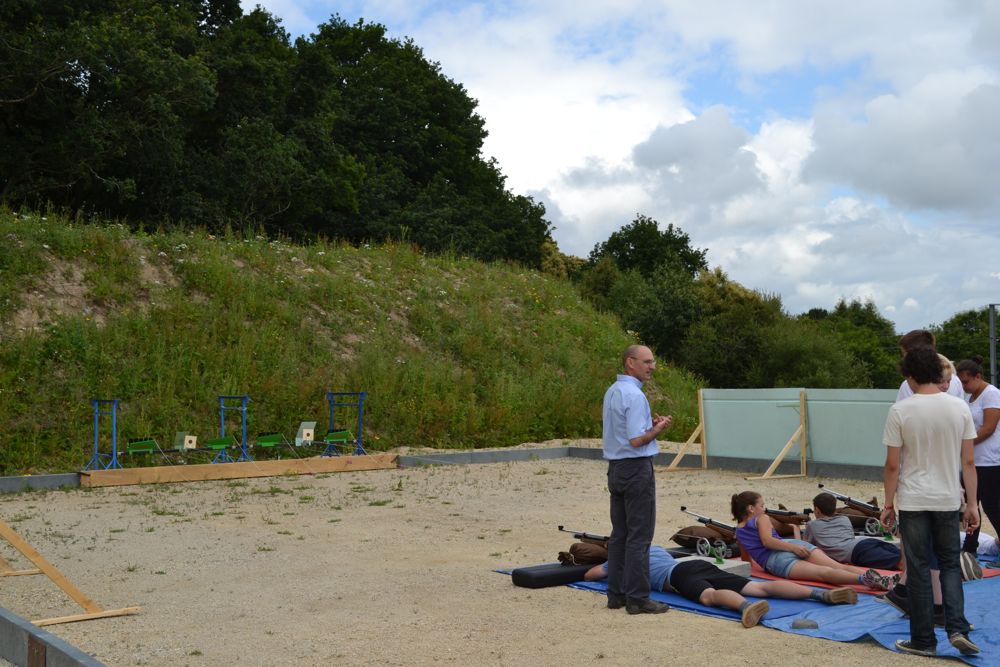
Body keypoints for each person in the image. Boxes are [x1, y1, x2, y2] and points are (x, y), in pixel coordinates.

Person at [882, 346, 980, 656]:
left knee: (919, 568)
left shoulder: (900, 410)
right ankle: (957, 628)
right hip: (948, 498)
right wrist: (972, 504)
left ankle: (924, 640)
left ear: (910, 376)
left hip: (913, 499)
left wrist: (888, 504)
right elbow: (968, 462)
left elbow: (893, 465)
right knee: (950, 564)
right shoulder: (959, 407)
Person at [584, 545, 858, 628]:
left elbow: (591, 575)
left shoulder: (620, 558)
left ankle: (746, 608)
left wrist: (611, 562)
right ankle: (821, 594)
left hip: (677, 576)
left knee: (709, 596)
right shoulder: (652, 547)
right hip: (694, 564)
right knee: (758, 586)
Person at [602, 344, 672, 614]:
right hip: (635, 469)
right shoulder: (635, 395)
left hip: (616, 468)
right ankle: (638, 598)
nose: (652, 367)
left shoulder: (613, 391)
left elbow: (624, 432)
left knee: (620, 534)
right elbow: (636, 440)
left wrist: (648, 427)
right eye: (647, 361)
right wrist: (658, 429)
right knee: (639, 537)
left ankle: (616, 594)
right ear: (630, 363)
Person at [732, 491, 894, 590]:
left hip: (776, 560)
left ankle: (865, 580)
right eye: (761, 505)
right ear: (751, 508)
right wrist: (793, 547)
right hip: (792, 547)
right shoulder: (761, 518)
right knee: (838, 567)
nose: (764, 509)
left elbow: (747, 560)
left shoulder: (739, 531)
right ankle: (881, 578)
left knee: (824, 574)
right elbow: (768, 541)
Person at [956, 356, 1000, 559]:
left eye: (966, 382)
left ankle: (971, 546)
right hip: (974, 461)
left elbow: (988, 428)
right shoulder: (972, 397)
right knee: (970, 504)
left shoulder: (992, 394)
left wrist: (965, 443)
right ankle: (970, 546)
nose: (964, 386)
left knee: (992, 507)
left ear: (978, 377)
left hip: (990, 461)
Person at [803, 492, 903, 569]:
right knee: (904, 557)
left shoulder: (812, 525)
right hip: (866, 541)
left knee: (899, 564)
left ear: (817, 510)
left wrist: (795, 527)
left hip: (857, 552)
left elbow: (804, 548)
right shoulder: (844, 519)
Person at [894, 330, 964, 401]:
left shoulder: (908, 384)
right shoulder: (954, 380)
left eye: (904, 354)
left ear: (914, 353)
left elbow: (902, 407)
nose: (903, 358)